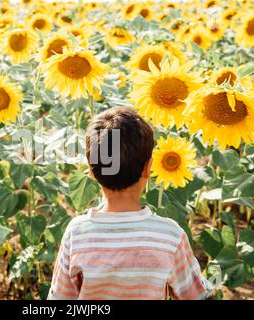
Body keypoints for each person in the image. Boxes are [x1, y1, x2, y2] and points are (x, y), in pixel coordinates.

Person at [48, 107, 213, 300]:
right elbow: (197, 295)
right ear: (148, 168)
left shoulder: (77, 233)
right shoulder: (169, 236)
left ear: (91, 171)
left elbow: (61, 298)